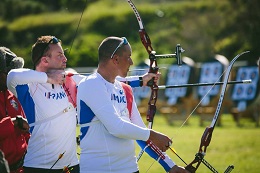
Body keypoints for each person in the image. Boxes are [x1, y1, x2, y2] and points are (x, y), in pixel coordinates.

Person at [7, 35, 159, 173]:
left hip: (72, 165)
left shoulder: (69, 80)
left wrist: (141, 80)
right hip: (38, 166)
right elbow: (12, 76)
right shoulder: (28, 85)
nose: (65, 59)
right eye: (60, 55)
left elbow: (104, 80)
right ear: (45, 60)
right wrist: (48, 78)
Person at [77, 36, 189, 173]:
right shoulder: (91, 84)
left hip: (129, 168)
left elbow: (139, 133)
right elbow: (116, 127)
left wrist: (170, 166)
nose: (131, 62)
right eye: (128, 57)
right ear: (116, 59)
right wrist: (153, 135)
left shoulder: (125, 89)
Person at [0, 47, 30, 173]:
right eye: (9, 73)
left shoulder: (13, 95)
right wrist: (14, 122)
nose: (13, 77)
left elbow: (26, 132)